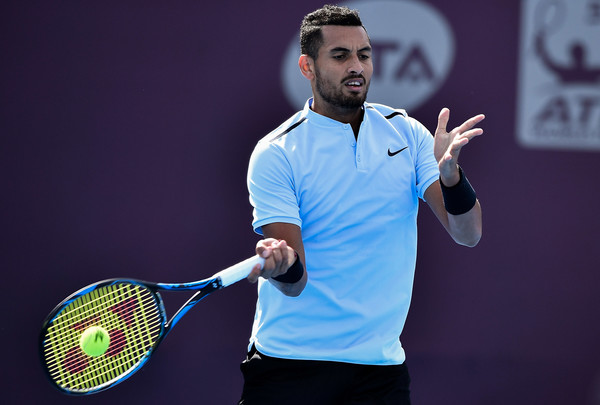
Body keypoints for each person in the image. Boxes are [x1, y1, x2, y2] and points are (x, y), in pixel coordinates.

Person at [239, 4, 484, 404]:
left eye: (364, 55)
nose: (357, 66)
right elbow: (296, 283)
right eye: (340, 55)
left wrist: (452, 178)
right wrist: (282, 264)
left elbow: (468, 233)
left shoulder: (407, 133)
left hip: (380, 372)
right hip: (290, 366)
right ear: (308, 66)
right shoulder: (277, 153)